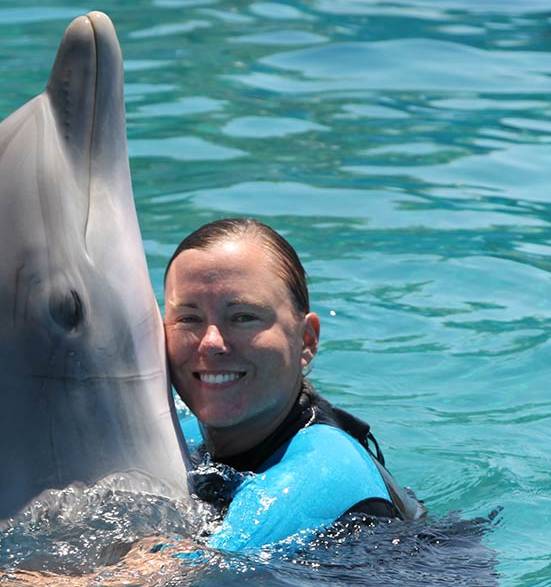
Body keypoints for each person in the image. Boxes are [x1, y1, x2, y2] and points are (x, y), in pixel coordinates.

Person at [163, 217, 423, 551]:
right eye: (189, 319)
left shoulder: (322, 473)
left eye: (243, 317)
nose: (211, 342)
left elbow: (171, 585)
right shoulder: (185, 431)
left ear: (306, 339)